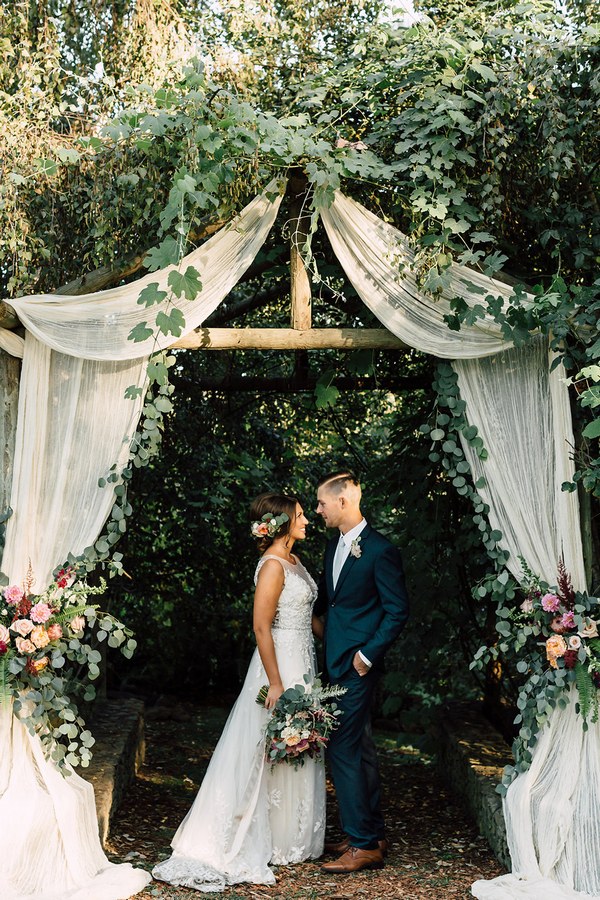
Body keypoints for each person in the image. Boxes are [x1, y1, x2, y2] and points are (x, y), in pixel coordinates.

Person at [152, 492, 326, 892]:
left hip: (304, 658)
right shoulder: (271, 566)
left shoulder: (295, 561)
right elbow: (262, 627)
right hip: (278, 662)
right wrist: (277, 682)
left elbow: (308, 616)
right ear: (282, 524)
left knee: (299, 741)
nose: (306, 521)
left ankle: (292, 838)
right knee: (264, 744)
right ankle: (251, 835)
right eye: (300, 516)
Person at [315, 471, 409, 874]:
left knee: (342, 747)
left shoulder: (380, 550)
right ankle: (373, 833)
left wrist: (366, 656)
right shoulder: (332, 546)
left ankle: (363, 845)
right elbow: (334, 604)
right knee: (362, 746)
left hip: (357, 666)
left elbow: (397, 610)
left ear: (342, 502)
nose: (317, 510)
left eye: (321, 503)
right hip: (334, 661)